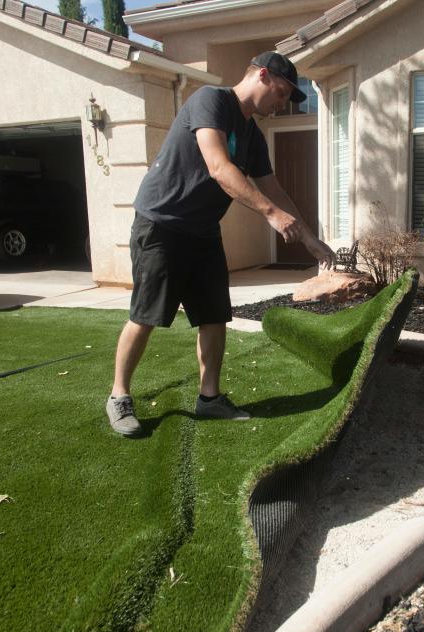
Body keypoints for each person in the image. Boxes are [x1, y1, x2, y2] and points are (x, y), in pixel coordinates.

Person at [106, 51, 336, 436]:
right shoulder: (210, 100)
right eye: (282, 93)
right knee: (146, 315)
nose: (282, 105)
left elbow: (273, 187)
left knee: (214, 315)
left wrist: (310, 238)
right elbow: (218, 167)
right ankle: (118, 396)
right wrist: (270, 215)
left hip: (202, 231)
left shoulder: (252, 135)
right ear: (262, 75)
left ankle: (209, 398)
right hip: (161, 224)